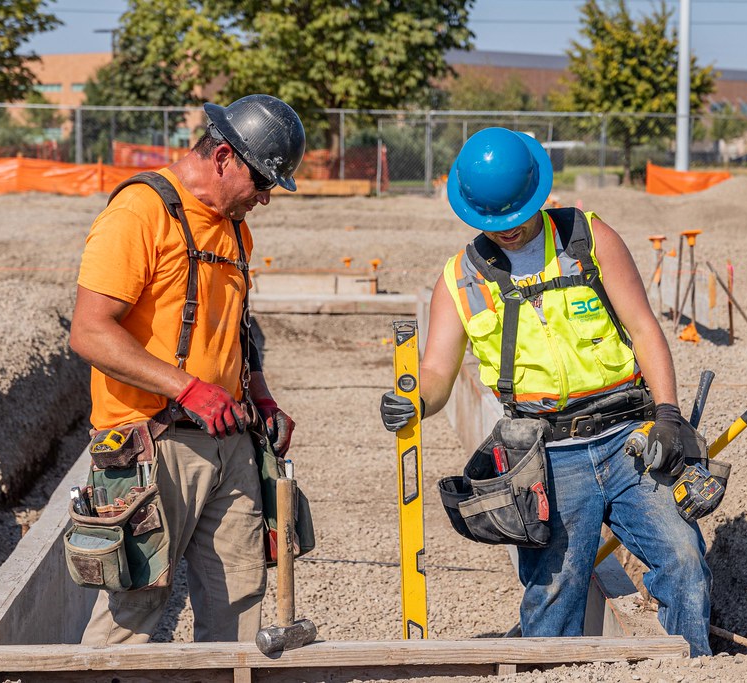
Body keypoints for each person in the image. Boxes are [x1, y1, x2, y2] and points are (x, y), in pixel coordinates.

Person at [380, 127, 712, 656]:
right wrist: (415, 401)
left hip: (628, 437)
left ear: (538, 193)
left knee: (684, 558)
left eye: (517, 216)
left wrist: (668, 415)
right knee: (553, 593)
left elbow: (644, 327)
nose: (509, 231)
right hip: (549, 456)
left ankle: (695, 666)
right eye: (496, 222)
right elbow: (438, 371)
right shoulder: (461, 279)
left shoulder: (588, 239)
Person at [69, 94, 304, 644]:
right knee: (135, 605)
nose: (265, 198)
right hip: (151, 443)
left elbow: (235, 327)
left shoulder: (234, 227)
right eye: (262, 181)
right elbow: (90, 331)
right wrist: (188, 389)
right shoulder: (139, 213)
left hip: (229, 439)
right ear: (223, 157)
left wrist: (261, 396)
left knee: (239, 600)